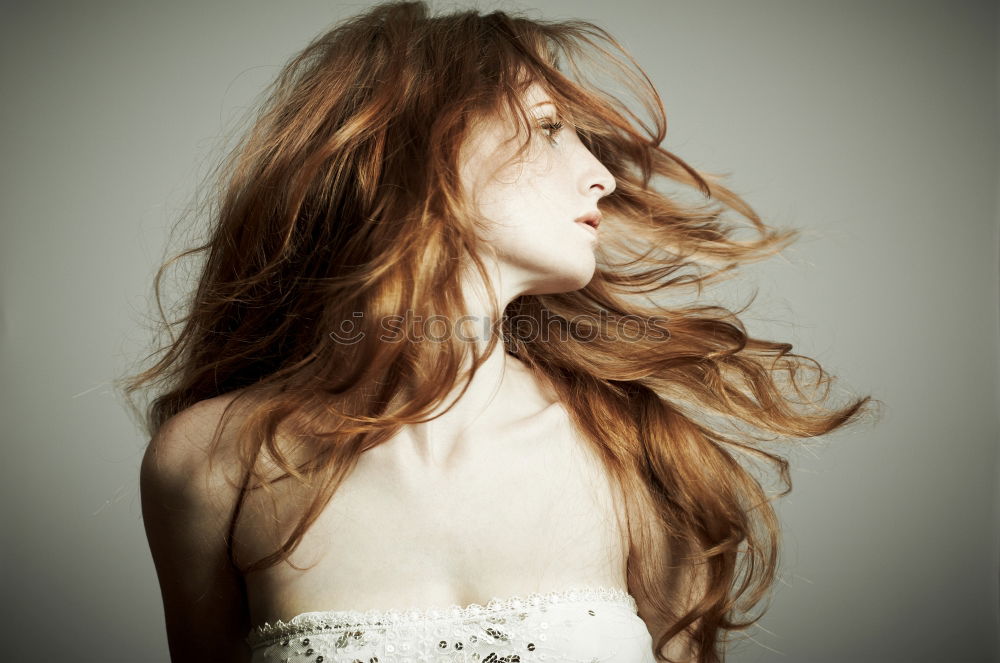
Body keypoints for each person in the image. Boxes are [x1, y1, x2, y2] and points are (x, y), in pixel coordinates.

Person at [122, 2, 877, 662]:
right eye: (550, 127)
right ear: (424, 143)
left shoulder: (637, 451)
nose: (602, 177)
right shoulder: (213, 463)